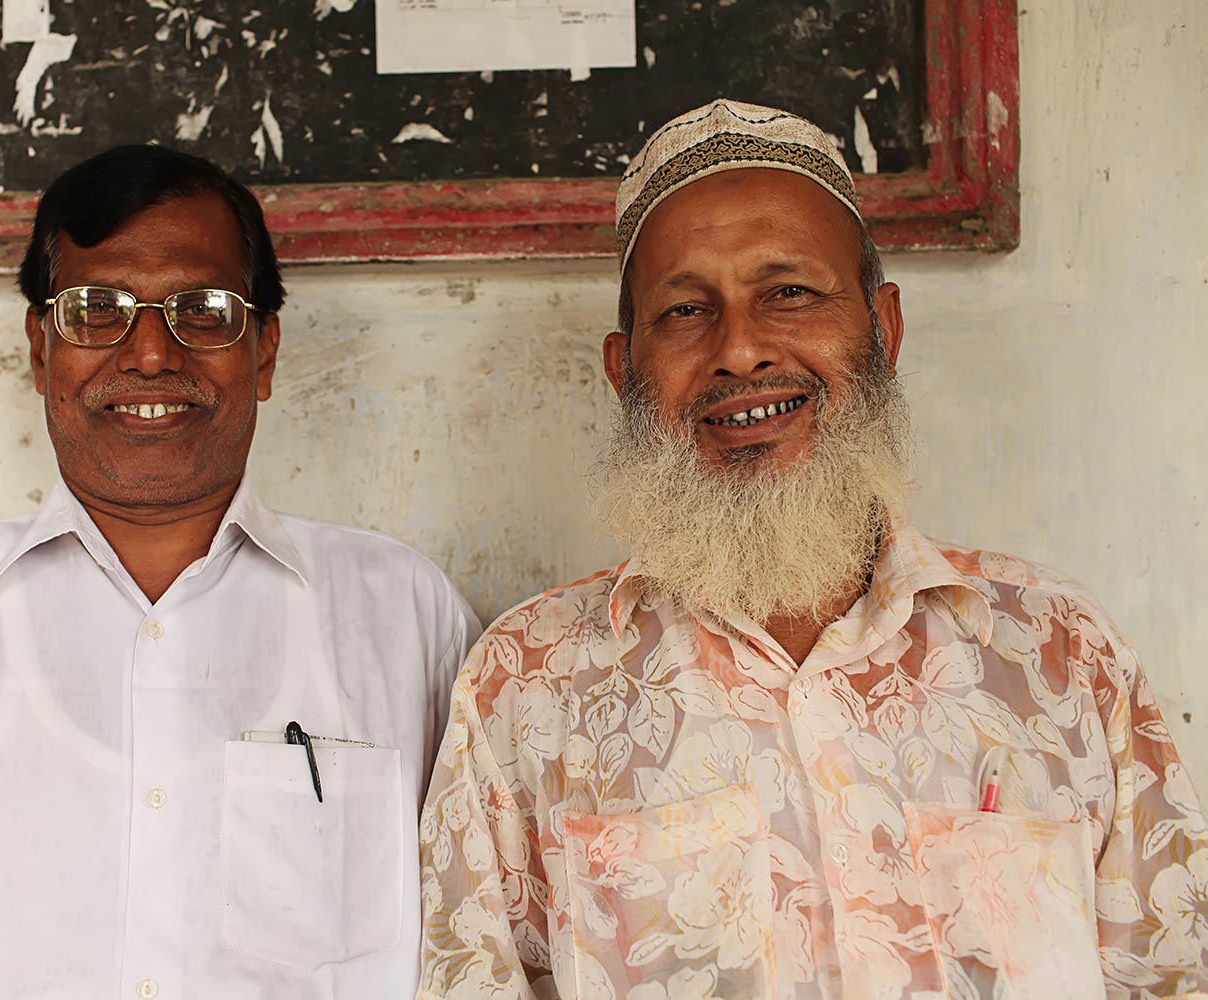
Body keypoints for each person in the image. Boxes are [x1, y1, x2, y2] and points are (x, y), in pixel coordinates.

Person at [418, 100, 1208, 998]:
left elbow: (1169, 976)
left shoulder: (1061, 655)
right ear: (621, 370)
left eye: (790, 292)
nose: (742, 350)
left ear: (886, 329)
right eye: (684, 311)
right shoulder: (528, 684)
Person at [0, 145, 479, 999]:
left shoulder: (402, 615)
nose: (151, 356)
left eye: (202, 310)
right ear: (39, 348)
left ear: (265, 352)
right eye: (98, 309)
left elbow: (479, 944)